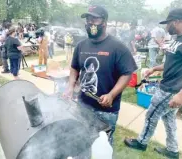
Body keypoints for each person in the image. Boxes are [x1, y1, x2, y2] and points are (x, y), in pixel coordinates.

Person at [63, 5, 137, 146]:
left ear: (104, 22)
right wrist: (70, 86)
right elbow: (74, 68)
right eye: (88, 19)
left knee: (103, 146)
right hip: (83, 105)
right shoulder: (81, 46)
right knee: (82, 140)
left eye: (95, 19)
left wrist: (112, 94)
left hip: (107, 111)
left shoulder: (118, 47)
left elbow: (127, 73)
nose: (90, 23)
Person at [124, 8, 182, 159]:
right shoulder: (176, 40)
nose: (166, 26)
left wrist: (181, 95)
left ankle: (141, 143)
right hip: (170, 87)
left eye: (168, 23)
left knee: (151, 115)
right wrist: (154, 69)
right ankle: (173, 150)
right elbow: (171, 63)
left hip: (171, 90)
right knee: (169, 121)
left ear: (176, 21)